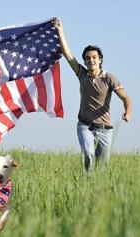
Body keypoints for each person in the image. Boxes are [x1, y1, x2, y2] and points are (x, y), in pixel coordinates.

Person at [54, 18, 132, 172]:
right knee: (88, 155)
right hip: (85, 126)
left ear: (100, 59)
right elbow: (67, 53)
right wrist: (59, 31)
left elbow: (126, 98)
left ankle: (94, 191)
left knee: (102, 169)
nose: (91, 60)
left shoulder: (109, 78)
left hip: (105, 129)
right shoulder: (81, 74)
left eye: (94, 57)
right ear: (85, 60)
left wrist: (128, 112)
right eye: (88, 58)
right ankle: (85, 183)